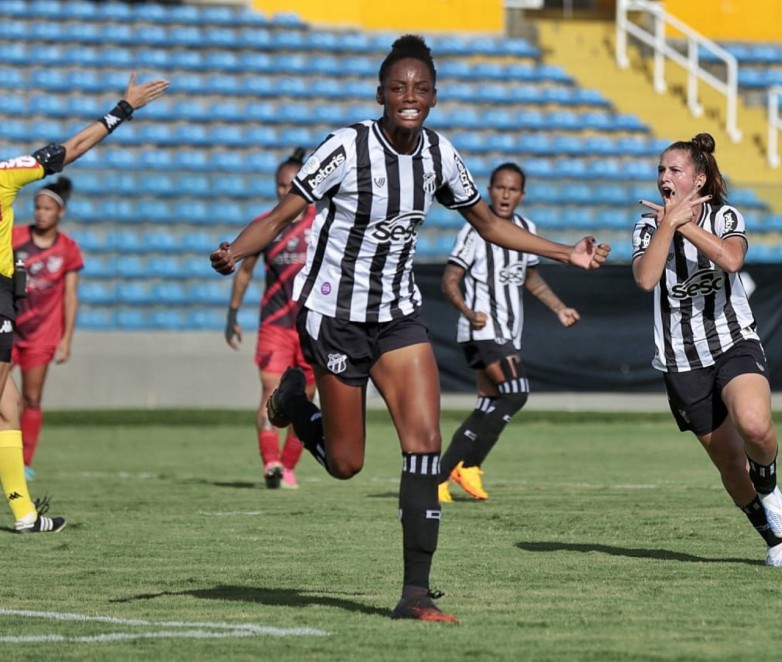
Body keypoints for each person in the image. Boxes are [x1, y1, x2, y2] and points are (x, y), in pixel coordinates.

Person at [210, 35, 609, 622]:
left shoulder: (440, 156)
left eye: (421, 88)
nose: (409, 97)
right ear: (380, 94)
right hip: (335, 318)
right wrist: (232, 251)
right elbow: (281, 215)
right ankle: (295, 404)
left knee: (423, 446)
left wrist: (564, 252)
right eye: (398, 87)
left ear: (434, 97)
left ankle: (415, 595)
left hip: (398, 316)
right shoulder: (345, 148)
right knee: (346, 463)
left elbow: (490, 226)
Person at [0, 73, 169, 533]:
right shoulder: (4, 178)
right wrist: (122, 110)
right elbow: (70, 149)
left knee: (8, 407)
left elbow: (65, 152)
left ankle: (24, 514)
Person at [632, 133, 782, 567]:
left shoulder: (724, 215)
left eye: (674, 170)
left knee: (755, 427)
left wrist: (685, 224)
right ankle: (772, 538)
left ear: (699, 179)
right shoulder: (648, 225)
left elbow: (732, 260)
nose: (664, 177)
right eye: (661, 170)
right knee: (727, 461)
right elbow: (646, 279)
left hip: (732, 340)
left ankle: (770, 484)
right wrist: (668, 224)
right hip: (681, 359)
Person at [437, 162, 580, 503]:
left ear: (521, 194)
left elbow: (530, 277)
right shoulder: (474, 230)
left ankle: (440, 477)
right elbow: (449, 281)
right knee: (516, 392)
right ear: (490, 190)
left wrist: (559, 307)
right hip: (484, 332)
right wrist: (469, 313)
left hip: (507, 333)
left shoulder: (526, 228)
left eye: (512, 189)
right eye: (500, 187)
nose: (505, 194)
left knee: (488, 405)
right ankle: (469, 465)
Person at [225, 148, 317, 490]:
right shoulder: (266, 225)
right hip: (275, 324)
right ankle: (271, 464)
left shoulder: (322, 224)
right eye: (280, 185)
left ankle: (288, 468)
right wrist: (232, 313)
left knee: (304, 401)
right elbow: (245, 270)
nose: (285, 191)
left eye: (291, 184)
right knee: (270, 391)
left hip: (312, 327)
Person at [12, 177, 84, 481]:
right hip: (8, 328)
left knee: (32, 398)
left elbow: (70, 295)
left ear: (60, 212)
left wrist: (66, 339)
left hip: (41, 335)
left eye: (47, 208)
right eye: (37, 207)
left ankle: (24, 462)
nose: (41, 213)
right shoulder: (13, 237)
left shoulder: (68, 249)